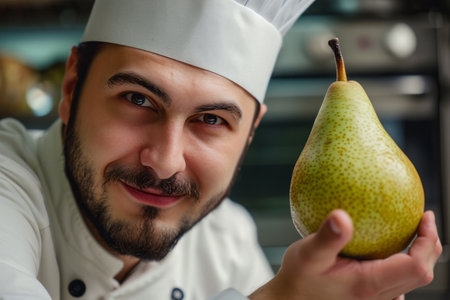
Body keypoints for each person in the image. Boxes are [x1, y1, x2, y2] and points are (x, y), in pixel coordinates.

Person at [0, 0, 442, 299]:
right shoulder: (8, 183)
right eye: (138, 100)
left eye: (211, 120)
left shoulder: (228, 243)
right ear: (72, 87)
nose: (166, 162)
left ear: (250, 133)